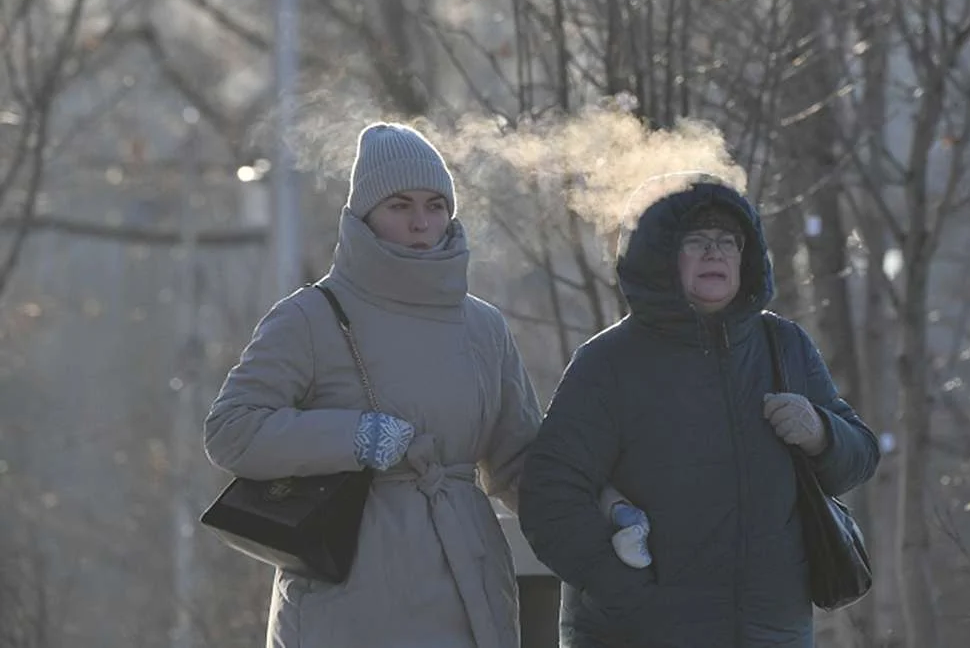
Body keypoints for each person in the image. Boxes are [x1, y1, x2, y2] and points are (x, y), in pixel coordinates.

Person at [203, 123, 544, 648]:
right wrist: (354, 437)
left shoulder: (483, 327)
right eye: (399, 206)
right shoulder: (310, 317)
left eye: (435, 205)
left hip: (471, 589)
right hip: (350, 600)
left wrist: (607, 516)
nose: (420, 222)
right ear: (363, 216)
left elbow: (521, 464)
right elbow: (231, 430)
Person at [518, 179, 881, 648]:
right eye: (697, 241)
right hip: (642, 634)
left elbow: (862, 457)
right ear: (660, 255)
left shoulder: (784, 345)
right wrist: (626, 593)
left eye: (728, 241)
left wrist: (822, 433)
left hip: (773, 633)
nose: (716, 253)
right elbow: (550, 495)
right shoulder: (609, 363)